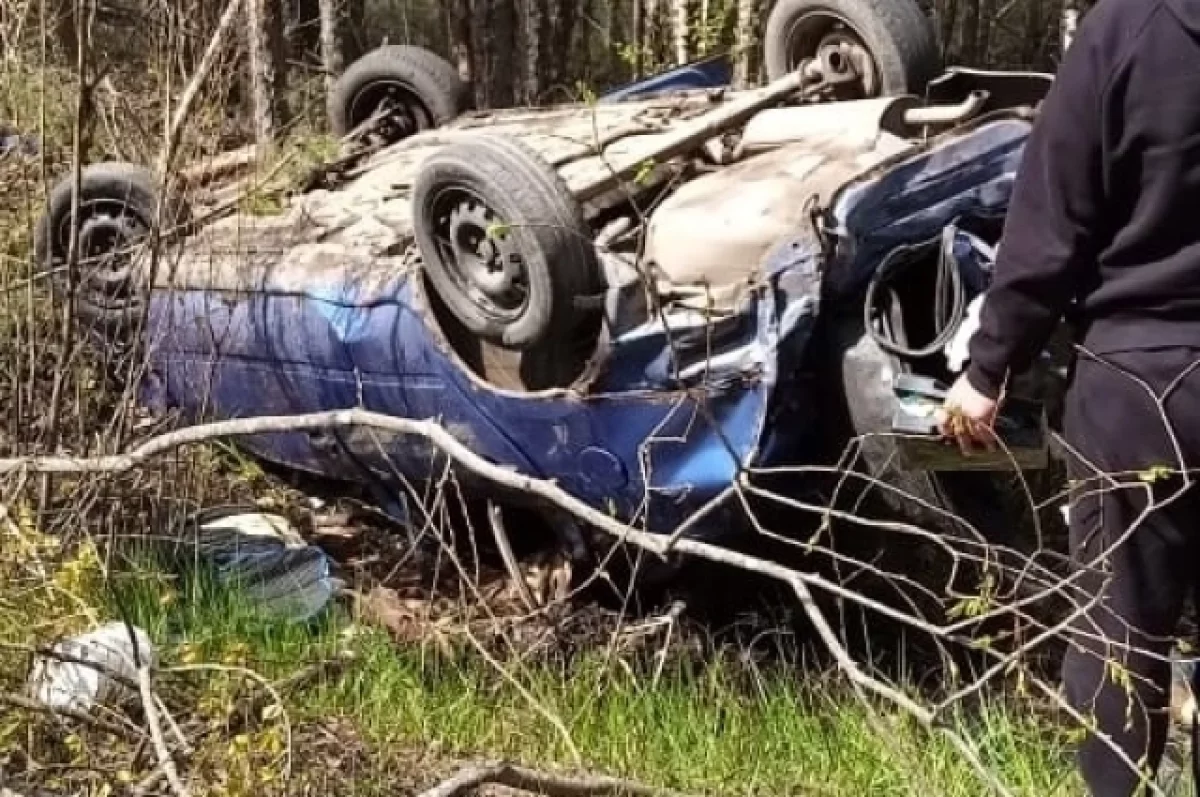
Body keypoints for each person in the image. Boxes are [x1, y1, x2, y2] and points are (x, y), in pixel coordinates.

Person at [936, 0, 1200, 793]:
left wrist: (988, 370)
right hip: (1141, 368)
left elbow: (1051, 223)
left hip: (1137, 385)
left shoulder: (1125, 29)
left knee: (1119, 637)